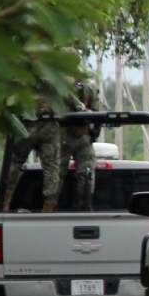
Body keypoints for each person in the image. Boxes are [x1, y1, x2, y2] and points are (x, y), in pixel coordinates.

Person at [0, 86, 85, 212]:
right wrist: (80, 107)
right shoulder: (47, 73)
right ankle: (49, 206)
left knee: (15, 162)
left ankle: (5, 202)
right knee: (51, 168)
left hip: (26, 125)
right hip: (47, 126)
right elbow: (64, 93)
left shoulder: (21, 76)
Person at [62, 76, 104, 209]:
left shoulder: (56, 85)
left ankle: (51, 208)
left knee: (55, 176)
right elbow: (98, 116)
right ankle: (84, 207)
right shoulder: (87, 87)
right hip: (78, 138)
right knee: (86, 176)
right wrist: (93, 135)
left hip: (64, 139)